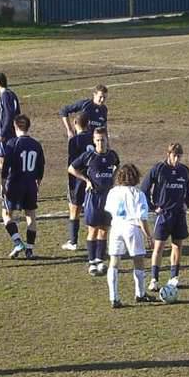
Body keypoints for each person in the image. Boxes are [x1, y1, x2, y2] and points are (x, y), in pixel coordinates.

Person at [141, 143, 189, 291]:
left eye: (179, 156)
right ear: (168, 154)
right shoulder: (159, 169)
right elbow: (144, 188)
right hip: (163, 215)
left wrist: (186, 204)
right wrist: (153, 207)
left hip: (179, 215)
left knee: (177, 245)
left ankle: (174, 277)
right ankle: (154, 279)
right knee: (158, 247)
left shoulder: (185, 171)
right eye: (174, 155)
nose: (177, 159)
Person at [104, 164, 157, 308]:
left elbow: (109, 210)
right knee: (138, 261)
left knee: (114, 262)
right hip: (132, 228)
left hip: (116, 228)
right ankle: (140, 294)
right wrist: (149, 236)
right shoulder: (137, 193)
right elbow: (141, 218)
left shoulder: (113, 192)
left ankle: (113, 297)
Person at [68, 127, 119, 276]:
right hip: (93, 197)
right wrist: (86, 180)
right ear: (94, 141)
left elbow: (117, 165)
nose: (100, 143)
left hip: (108, 198)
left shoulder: (112, 155)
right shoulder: (89, 156)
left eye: (102, 140)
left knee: (104, 230)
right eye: (97, 140)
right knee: (93, 229)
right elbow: (71, 168)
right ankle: (91, 262)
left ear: (107, 139)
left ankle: (100, 260)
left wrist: (114, 177)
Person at [1, 114, 45, 259]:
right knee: (31, 216)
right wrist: (37, 184)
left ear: (15, 127)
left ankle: (18, 242)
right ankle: (30, 250)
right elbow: (41, 168)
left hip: (15, 184)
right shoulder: (36, 144)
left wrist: (3, 184)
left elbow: (5, 167)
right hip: (30, 185)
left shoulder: (12, 143)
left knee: (6, 214)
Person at [61, 113, 94, 251]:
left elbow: (72, 165)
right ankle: (94, 239)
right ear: (88, 124)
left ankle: (73, 242)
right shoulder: (94, 137)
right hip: (93, 178)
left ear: (75, 122)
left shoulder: (74, 141)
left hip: (78, 179)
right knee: (92, 210)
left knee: (74, 209)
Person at [0, 72, 21, 198]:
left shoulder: (4, 96)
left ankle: (7, 189)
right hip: (11, 133)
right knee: (8, 162)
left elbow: (8, 115)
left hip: (6, 135)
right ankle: (9, 188)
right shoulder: (12, 94)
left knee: (3, 162)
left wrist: (2, 133)